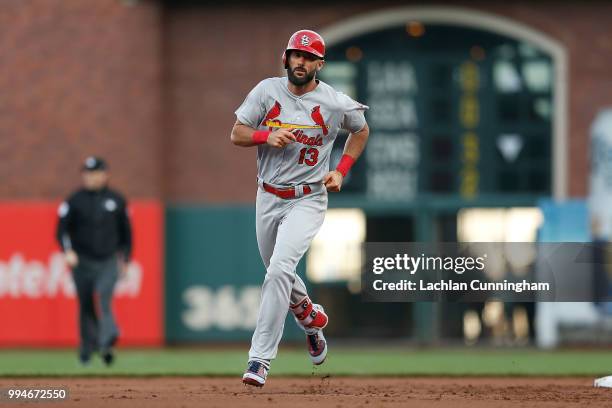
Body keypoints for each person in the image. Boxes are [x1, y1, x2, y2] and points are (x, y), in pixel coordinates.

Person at [231, 29, 370, 387]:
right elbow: (237, 132)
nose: (301, 61)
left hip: (308, 197)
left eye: (309, 57)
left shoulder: (334, 102)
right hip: (268, 195)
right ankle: (309, 317)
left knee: (278, 270)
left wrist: (341, 171)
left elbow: (361, 130)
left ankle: (259, 359)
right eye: (296, 54)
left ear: (319, 64)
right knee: (279, 272)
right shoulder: (266, 91)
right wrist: (265, 135)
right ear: (286, 58)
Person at [56, 156, 132, 366]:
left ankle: (107, 340)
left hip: (108, 260)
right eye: (87, 173)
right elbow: (61, 230)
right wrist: (67, 251)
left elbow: (127, 233)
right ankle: (87, 347)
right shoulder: (74, 200)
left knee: (104, 298)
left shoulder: (116, 200)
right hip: (82, 261)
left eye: (95, 173)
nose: (90, 177)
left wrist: (125, 259)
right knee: (86, 305)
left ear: (105, 174)